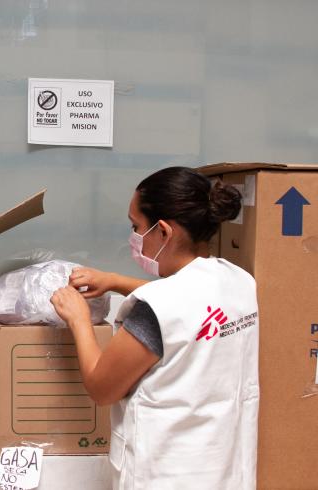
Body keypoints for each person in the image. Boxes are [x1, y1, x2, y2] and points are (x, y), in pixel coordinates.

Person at [50, 167, 259, 489]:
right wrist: (116, 281)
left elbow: (101, 388)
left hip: (166, 473)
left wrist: (78, 320)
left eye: (136, 227)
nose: (133, 238)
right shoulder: (240, 282)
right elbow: (191, 304)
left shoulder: (155, 310)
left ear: (163, 231)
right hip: (225, 467)